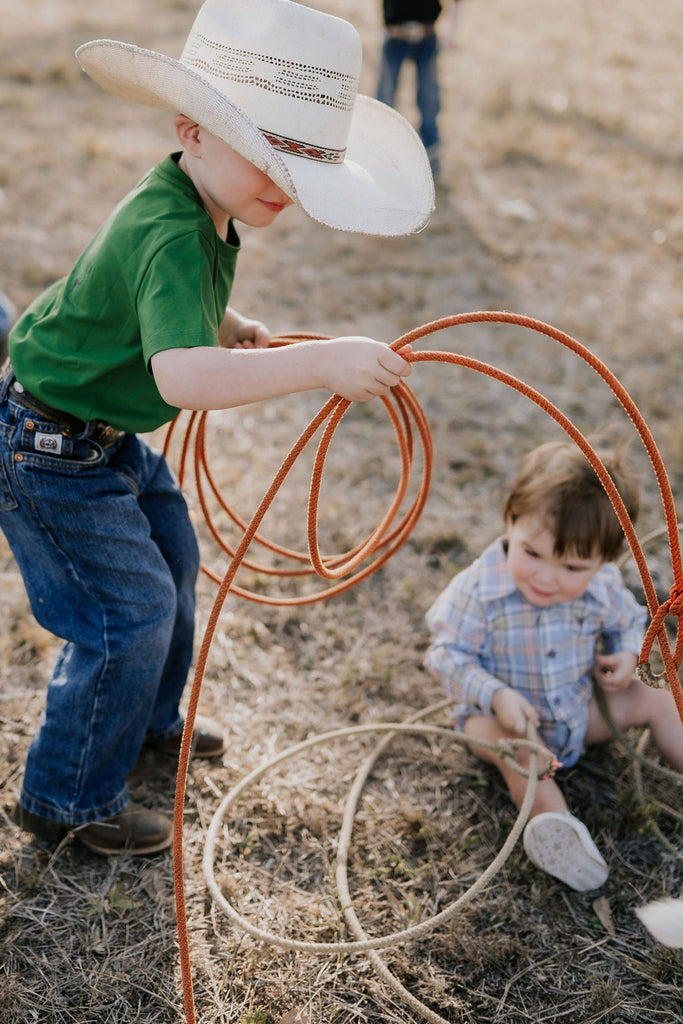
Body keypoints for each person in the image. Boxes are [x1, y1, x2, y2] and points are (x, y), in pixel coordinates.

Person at [2, 0, 434, 857]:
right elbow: (181, 376)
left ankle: (146, 720)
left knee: (172, 556)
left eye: (301, 162)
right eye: (266, 154)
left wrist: (224, 320)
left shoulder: (195, 207)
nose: (282, 181)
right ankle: (65, 796)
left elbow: (155, 304)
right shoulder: (170, 229)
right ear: (191, 132)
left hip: (95, 436)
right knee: (131, 609)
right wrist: (318, 363)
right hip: (47, 449)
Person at [424, 439, 683, 892]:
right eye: (532, 554)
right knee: (520, 752)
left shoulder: (602, 584)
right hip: (503, 722)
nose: (546, 577)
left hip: (577, 710)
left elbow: (626, 619)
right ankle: (557, 829)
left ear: (606, 560)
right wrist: (495, 694)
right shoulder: (478, 591)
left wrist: (625, 654)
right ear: (510, 522)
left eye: (571, 567)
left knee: (657, 697)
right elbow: (444, 655)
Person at [376, 0, 460, 176]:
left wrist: (453, 32)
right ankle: (377, 151)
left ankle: (431, 156)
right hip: (395, 35)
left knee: (428, 98)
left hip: (426, 36)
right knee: (385, 99)